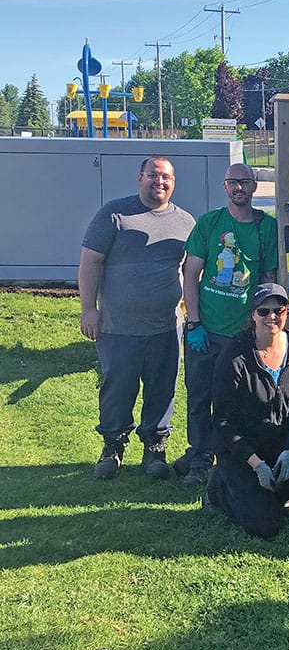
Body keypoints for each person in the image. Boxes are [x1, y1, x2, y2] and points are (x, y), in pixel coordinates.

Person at [79, 156, 196, 481]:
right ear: (140, 177)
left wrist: (193, 312)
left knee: (163, 389)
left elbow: (191, 272)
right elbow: (90, 261)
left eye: (166, 177)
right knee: (118, 390)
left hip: (166, 327)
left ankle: (154, 448)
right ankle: (112, 447)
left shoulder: (185, 222)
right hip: (118, 328)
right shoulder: (114, 215)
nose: (159, 182)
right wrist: (89, 308)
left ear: (173, 183)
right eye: (153, 175)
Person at [175, 163, 278, 488]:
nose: (239, 188)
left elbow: (271, 280)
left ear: (254, 187)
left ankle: (236, 456)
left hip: (244, 334)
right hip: (207, 329)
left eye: (245, 182)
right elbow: (191, 274)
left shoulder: (267, 228)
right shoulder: (209, 224)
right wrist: (194, 323)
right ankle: (201, 455)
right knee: (199, 396)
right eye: (233, 182)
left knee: (239, 401)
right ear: (225, 186)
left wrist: (265, 327)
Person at [204, 283, 289, 539]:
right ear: (252, 315)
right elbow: (223, 423)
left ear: (287, 313)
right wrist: (256, 464)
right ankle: (220, 490)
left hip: (279, 446)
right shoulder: (234, 357)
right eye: (264, 311)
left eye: (278, 310)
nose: (272, 316)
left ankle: (268, 498)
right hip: (242, 452)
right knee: (265, 527)